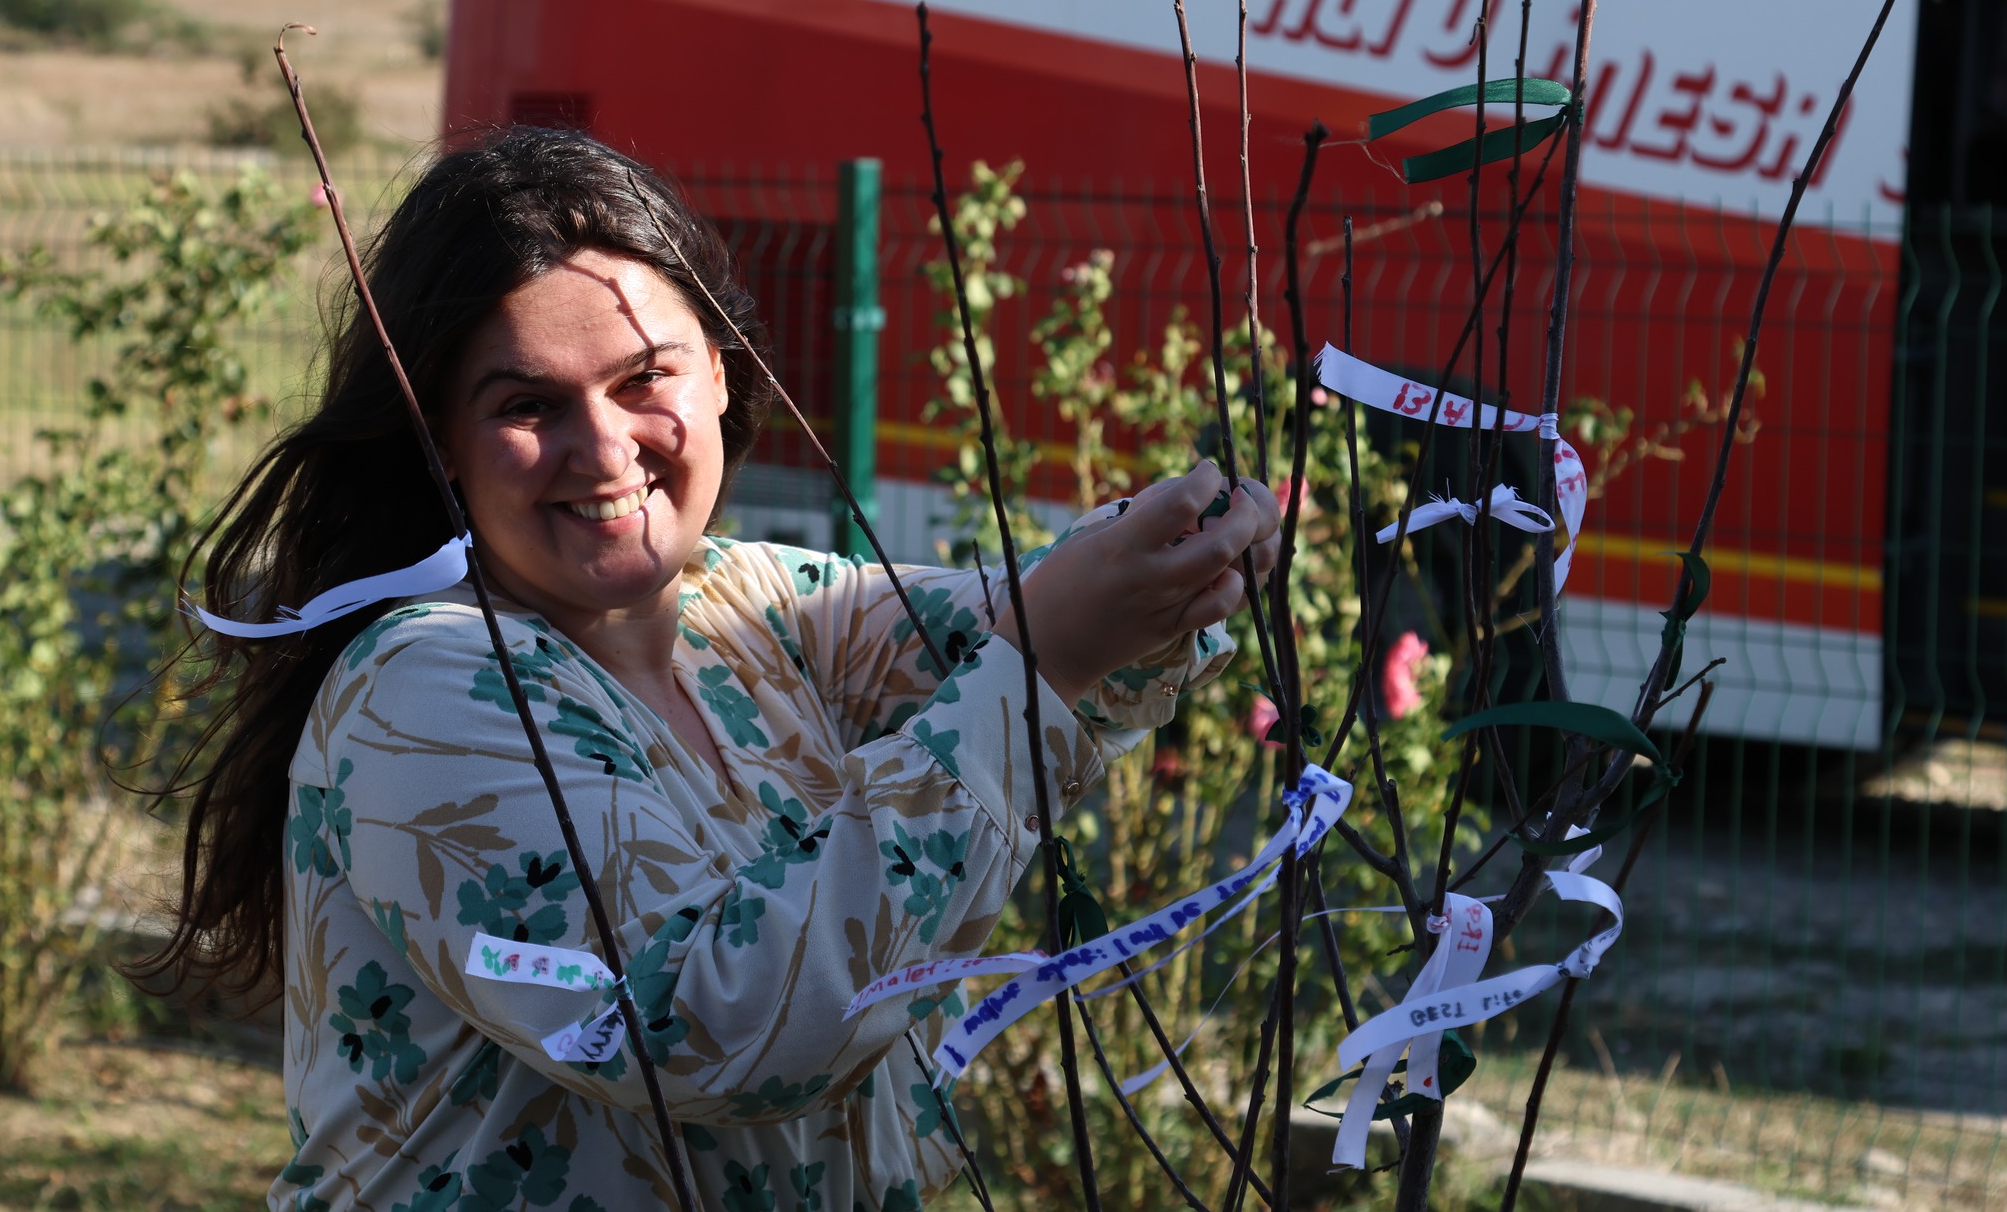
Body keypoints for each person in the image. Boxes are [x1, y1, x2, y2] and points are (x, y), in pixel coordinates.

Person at [147, 128, 1281, 1210]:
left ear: (724, 375)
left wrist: (1168, 558)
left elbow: (1014, 615)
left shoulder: (752, 602)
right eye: (528, 405)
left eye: (645, 377)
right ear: (440, 439)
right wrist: (1042, 664)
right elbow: (704, 1028)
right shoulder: (421, 689)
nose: (605, 450)